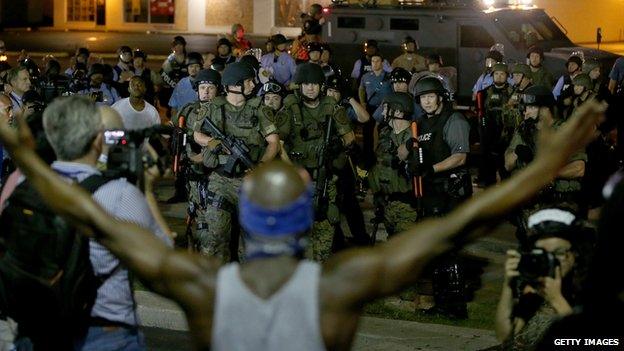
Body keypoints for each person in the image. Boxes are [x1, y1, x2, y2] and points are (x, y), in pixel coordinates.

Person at [0, 88, 605, 351]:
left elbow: (100, 221)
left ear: (251, 213)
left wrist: (34, 159)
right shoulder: (339, 285)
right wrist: (541, 170)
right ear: (301, 213)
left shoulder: (204, 285)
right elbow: (461, 223)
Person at [0, 96, 172, 350]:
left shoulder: (26, 187)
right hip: (103, 333)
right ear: (98, 140)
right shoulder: (119, 194)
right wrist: (146, 190)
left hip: (36, 330)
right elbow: (164, 263)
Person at [191, 61, 280, 261]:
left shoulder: (259, 109)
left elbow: (273, 142)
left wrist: (261, 166)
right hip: (220, 180)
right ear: (235, 84)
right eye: (249, 81)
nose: (253, 85)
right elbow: (197, 134)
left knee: (250, 241)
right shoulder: (214, 107)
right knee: (217, 236)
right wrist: (211, 141)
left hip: (250, 182)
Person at [409, 76, 472, 317]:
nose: (426, 102)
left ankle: (456, 307)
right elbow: (415, 152)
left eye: (430, 96)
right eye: (423, 98)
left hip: (451, 191)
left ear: (440, 97)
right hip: (431, 193)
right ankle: (441, 302)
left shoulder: (453, 120)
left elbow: (460, 156)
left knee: (450, 249)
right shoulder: (422, 123)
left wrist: (431, 169)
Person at [282, 63, 355, 260]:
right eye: (306, 84)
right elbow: (278, 144)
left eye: (314, 84)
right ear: (300, 86)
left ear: (321, 85)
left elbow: (349, 138)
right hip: (298, 182)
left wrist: (336, 151)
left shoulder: (331, 106)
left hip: (325, 177)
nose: (311, 88)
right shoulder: (290, 106)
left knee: (324, 232)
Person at [495, 208, 594, 350]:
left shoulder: (593, 289)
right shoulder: (535, 288)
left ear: (576, 253)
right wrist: (508, 284)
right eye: (544, 253)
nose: (551, 259)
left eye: (558, 252)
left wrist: (557, 300)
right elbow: (504, 336)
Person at [505, 85, 586, 212]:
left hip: (559, 203)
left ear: (545, 109)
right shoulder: (524, 131)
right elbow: (507, 165)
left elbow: (579, 169)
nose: (527, 112)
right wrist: (517, 153)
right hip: (530, 204)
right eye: (526, 107)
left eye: (531, 107)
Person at [176, 68, 221, 251]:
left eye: (211, 87)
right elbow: (180, 138)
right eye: (203, 87)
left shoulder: (223, 110)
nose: (206, 91)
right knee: (196, 212)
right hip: (194, 171)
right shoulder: (188, 110)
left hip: (217, 171)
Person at [368, 92, 418, 236]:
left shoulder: (412, 138)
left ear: (398, 112)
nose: (383, 112)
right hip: (386, 203)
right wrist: (377, 192)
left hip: (406, 206)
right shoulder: (385, 134)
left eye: (385, 108)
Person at [478, 62, 515, 186]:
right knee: (487, 158)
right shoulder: (484, 93)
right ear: (492, 76)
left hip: (507, 131)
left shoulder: (513, 92)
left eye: (502, 74)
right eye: (497, 74)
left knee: (505, 160)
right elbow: (479, 111)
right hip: (489, 130)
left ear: (507, 76)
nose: (499, 76)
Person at [359, 53, 391, 169]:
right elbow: (361, 89)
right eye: (373, 61)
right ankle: (368, 159)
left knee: (382, 133)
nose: (375, 63)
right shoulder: (366, 76)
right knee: (367, 134)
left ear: (382, 63)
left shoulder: (389, 77)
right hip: (370, 108)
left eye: (377, 61)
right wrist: (362, 103)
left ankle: (380, 157)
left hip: (384, 109)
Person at [169, 52, 204, 119]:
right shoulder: (181, 83)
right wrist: (174, 122)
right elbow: (174, 106)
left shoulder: (205, 83)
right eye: (191, 66)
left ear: (201, 67)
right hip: (182, 121)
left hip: (199, 121)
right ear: (187, 68)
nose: (193, 69)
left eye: (197, 66)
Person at [161, 36, 188, 116]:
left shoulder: (188, 59)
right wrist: (174, 85)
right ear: (173, 47)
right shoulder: (169, 61)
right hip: (172, 92)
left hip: (186, 90)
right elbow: (163, 76)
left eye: (181, 45)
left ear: (184, 46)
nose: (179, 47)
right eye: (176, 45)